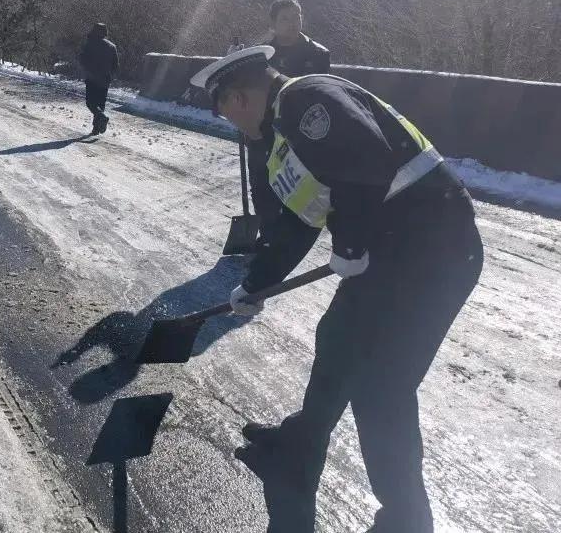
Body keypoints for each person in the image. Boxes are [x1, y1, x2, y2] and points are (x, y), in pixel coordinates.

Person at [193, 46, 483, 533]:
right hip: (393, 255)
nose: (232, 125)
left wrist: (349, 244)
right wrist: (256, 284)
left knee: (382, 390)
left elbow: (366, 158)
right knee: (337, 343)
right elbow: (298, 224)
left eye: (226, 113)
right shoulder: (284, 138)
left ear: (239, 98)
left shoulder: (308, 99)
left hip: (435, 253)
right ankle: (297, 453)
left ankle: (407, 521)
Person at [247, 0, 331, 251]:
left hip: (299, 133)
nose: (292, 23)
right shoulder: (259, 54)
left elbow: (321, 94)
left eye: (297, 17)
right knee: (261, 184)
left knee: (295, 185)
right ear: (273, 23)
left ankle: (287, 238)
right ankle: (269, 234)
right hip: (262, 129)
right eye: (285, 18)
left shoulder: (317, 54)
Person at [78, 23, 119, 134]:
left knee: (90, 103)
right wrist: (110, 75)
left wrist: (85, 69)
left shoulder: (90, 44)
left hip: (92, 78)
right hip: (105, 79)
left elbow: (82, 59)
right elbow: (116, 65)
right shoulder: (112, 46)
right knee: (100, 104)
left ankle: (101, 117)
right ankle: (96, 128)